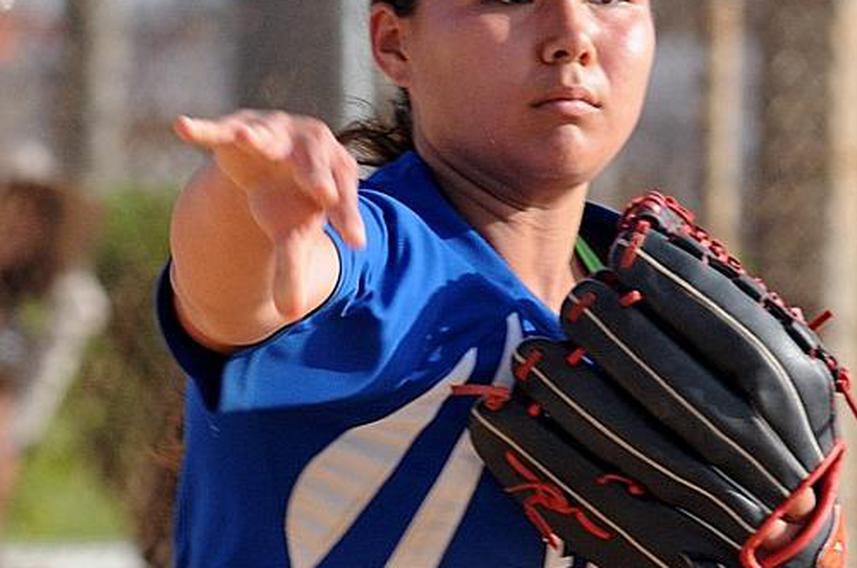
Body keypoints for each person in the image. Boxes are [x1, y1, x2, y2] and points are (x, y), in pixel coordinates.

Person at [161, 1, 817, 565]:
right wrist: (241, 193)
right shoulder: (372, 259)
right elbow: (238, 288)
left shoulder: (656, 306)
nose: (571, 34)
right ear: (394, 43)